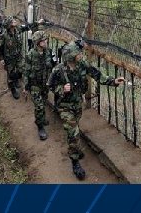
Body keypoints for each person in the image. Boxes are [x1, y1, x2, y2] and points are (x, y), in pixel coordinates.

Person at [47, 43, 125, 180]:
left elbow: (97, 75)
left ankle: (74, 147)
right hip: (64, 106)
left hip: (77, 104)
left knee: (74, 129)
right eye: (78, 53)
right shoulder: (58, 70)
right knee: (73, 132)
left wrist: (113, 81)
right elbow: (50, 86)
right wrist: (61, 89)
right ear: (71, 56)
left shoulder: (82, 65)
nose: (81, 55)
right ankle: (75, 161)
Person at [24, 28, 54, 140]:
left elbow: (51, 68)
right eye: (43, 40)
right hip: (35, 85)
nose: (46, 42)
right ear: (38, 43)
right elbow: (26, 71)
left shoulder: (48, 52)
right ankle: (40, 126)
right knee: (39, 106)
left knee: (44, 101)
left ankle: (41, 119)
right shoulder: (31, 55)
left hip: (45, 84)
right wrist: (26, 88)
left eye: (46, 40)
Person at [0, 18, 24, 99]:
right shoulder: (4, 36)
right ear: (9, 25)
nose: (15, 21)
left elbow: (27, 27)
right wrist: (1, 59)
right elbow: (0, 48)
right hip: (9, 58)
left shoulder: (17, 30)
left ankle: (16, 80)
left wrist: (37, 23)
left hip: (18, 56)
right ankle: (13, 89)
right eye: (12, 21)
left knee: (21, 69)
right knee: (11, 74)